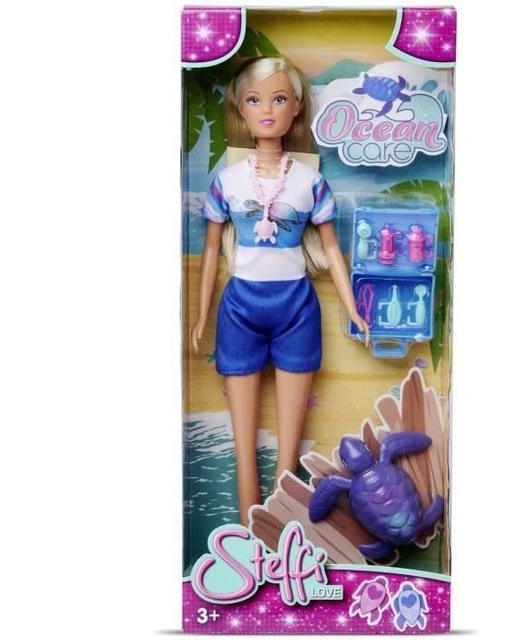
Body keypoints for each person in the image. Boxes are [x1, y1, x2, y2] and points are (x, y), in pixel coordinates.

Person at [191, 56, 369, 526]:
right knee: (243, 446)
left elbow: (331, 250)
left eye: (279, 99)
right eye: (254, 99)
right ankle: (248, 536)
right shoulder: (228, 181)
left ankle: (284, 529)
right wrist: (201, 314)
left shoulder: (311, 183)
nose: (267, 110)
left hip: (296, 309)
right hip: (240, 308)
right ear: (240, 109)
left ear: (296, 108)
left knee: (289, 448)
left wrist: (353, 308)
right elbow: (210, 251)